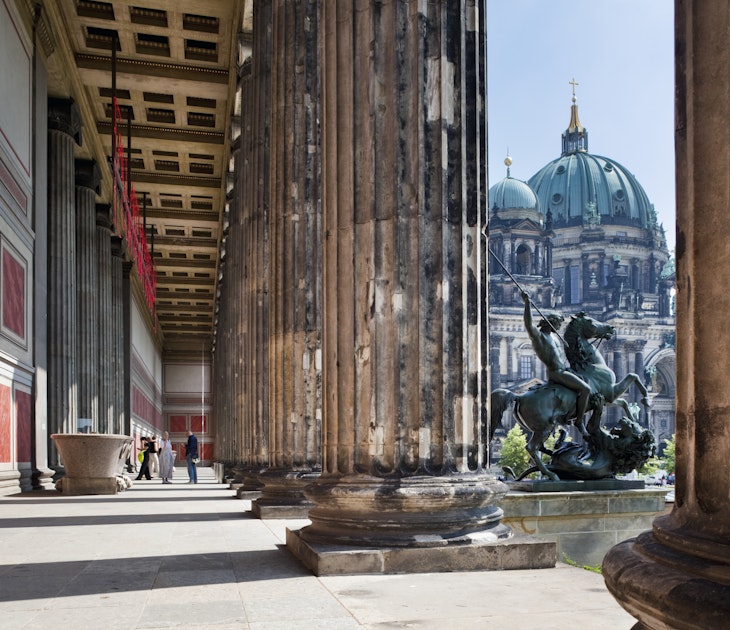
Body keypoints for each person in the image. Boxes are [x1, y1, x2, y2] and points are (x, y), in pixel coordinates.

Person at [521, 290, 591, 431]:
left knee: (588, 380)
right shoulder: (540, 337)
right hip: (557, 373)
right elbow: (529, 325)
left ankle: (568, 413)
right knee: (586, 389)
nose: (559, 326)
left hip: (564, 370)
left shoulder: (554, 338)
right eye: (558, 323)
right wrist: (527, 304)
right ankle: (578, 420)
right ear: (551, 323)